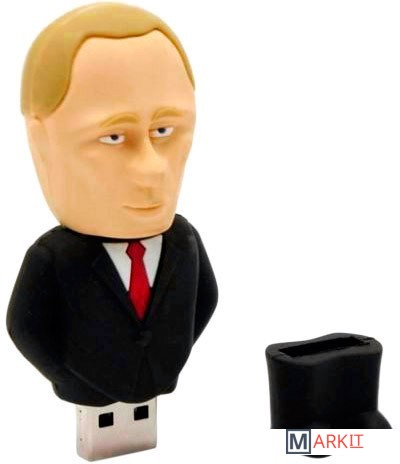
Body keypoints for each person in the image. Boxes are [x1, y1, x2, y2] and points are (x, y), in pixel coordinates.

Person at [6, 4, 218, 458]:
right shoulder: (56, 258)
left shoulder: (183, 242)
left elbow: (204, 300)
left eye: (165, 130)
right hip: (87, 391)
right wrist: (69, 376)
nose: (152, 169)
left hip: (159, 380)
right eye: (113, 137)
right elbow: (26, 327)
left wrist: (171, 355)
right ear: (41, 143)